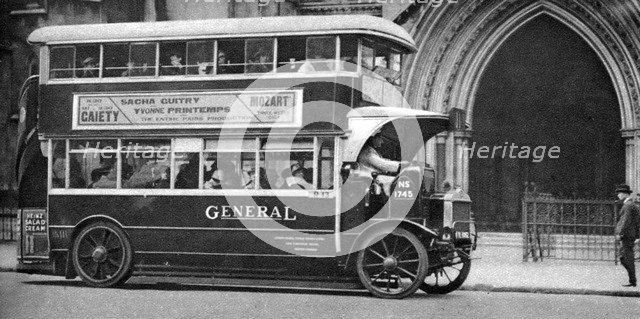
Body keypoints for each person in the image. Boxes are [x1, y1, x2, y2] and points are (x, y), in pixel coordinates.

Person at [614, 184, 640, 287]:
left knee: (626, 257)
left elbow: (626, 221)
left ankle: (632, 281)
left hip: (627, 235)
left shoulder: (628, 205)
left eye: (620, 193)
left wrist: (620, 234)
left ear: (625, 194)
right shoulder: (630, 204)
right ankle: (632, 280)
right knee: (623, 257)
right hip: (629, 235)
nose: (618, 195)